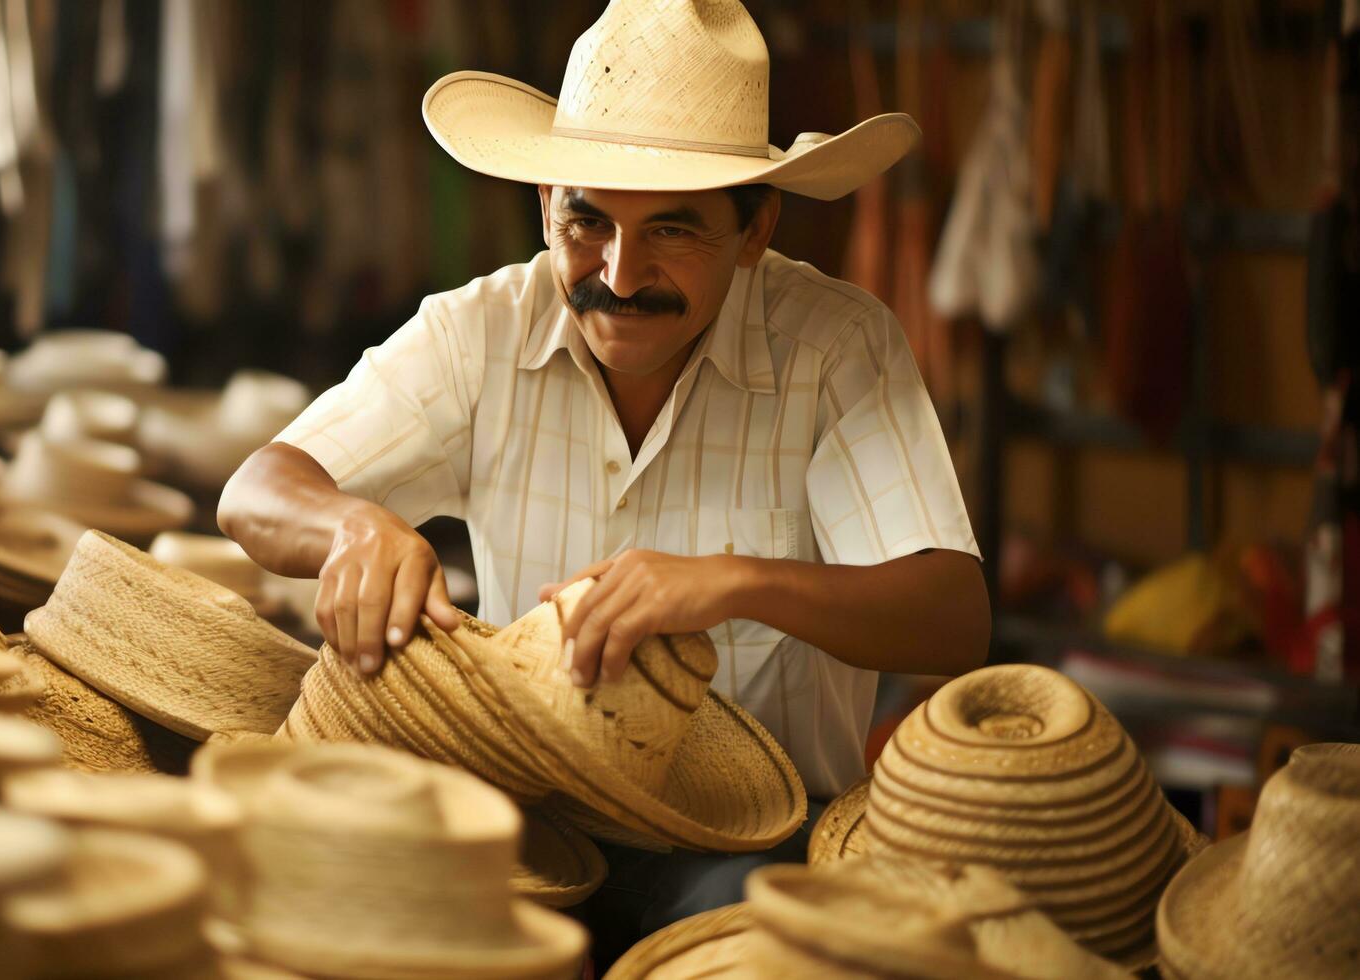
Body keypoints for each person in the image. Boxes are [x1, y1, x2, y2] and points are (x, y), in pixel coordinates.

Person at [218, 0, 989, 966]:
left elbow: (950, 615)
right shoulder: (481, 331)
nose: (619, 276)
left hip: (750, 849)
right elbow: (256, 489)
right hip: (521, 826)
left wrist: (733, 580)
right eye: (586, 221)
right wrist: (349, 527)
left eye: (672, 231)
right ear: (546, 204)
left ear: (756, 231)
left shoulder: (834, 346)